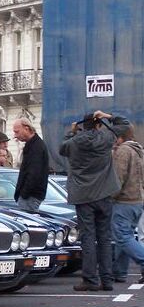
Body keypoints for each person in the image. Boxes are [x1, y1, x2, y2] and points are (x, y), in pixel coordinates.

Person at [59, 110, 122, 291]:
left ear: (82, 125)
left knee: (88, 238)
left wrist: (72, 131)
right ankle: (107, 280)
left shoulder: (73, 142)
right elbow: (123, 125)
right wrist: (108, 116)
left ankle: (90, 280)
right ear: (98, 124)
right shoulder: (106, 138)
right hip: (104, 194)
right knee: (105, 237)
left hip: (83, 196)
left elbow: (62, 148)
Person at [110, 120, 144, 283]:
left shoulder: (123, 151)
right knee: (126, 236)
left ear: (120, 137)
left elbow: (118, 178)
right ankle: (119, 272)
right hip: (137, 200)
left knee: (122, 236)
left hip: (124, 201)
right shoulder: (138, 150)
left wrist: (111, 196)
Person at [12, 118, 49, 212]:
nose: (15, 136)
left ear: (26, 128)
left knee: (26, 224)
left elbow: (34, 173)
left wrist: (24, 193)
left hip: (30, 196)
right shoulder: (33, 145)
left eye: (17, 132)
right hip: (30, 195)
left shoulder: (36, 147)